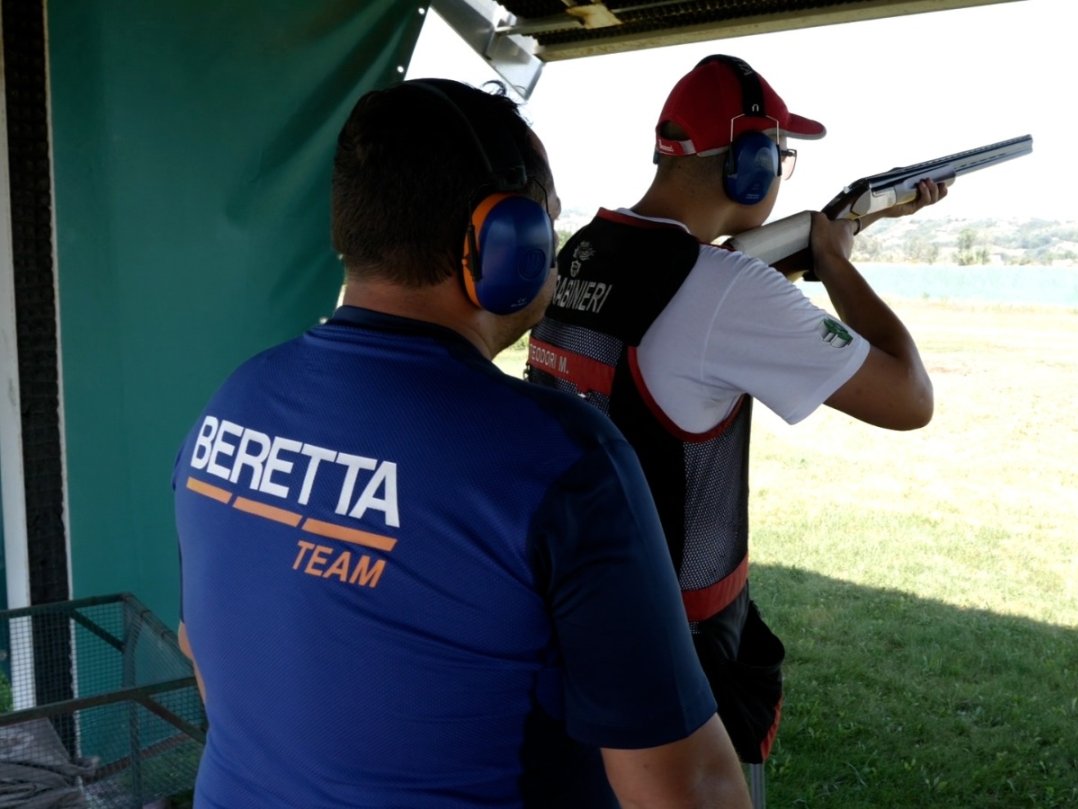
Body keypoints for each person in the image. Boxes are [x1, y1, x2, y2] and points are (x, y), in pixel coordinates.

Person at [172, 77, 751, 809]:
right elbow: (683, 788)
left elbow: (205, 652)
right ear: (507, 242)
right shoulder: (560, 458)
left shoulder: (234, 401)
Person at [524, 55, 944, 765]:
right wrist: (835, 259)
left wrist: (827, 235)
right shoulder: (725, 287)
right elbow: (909, 398)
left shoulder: (589, 250)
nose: (780, 171)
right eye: (779, 154)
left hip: (572, 612)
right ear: (748, 164)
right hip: (679, 661)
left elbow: (685, 304)